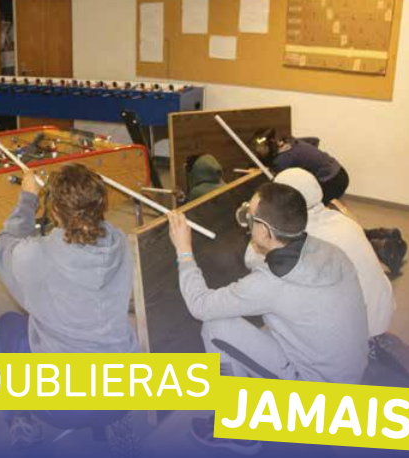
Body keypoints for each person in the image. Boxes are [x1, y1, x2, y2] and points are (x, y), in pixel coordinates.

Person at [168, 183, 369, 454]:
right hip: (349, 375)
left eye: (250, 217)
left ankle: (238, 430)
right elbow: (264, 265)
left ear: (265, 230)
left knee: (216, 327)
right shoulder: (328, 251)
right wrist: (259, 242)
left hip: (320, 398)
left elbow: (200, 305)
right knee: (265, 326)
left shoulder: (271, 284)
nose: (246, 222)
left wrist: (184, 251)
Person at [0, 164, 139, 451]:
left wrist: (27, 199)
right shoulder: (120, 242)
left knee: (4, 326)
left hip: (62, 408)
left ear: (56, 212)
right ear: (101, 206)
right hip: (127, 393)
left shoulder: (36, 255)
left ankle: (22, 420)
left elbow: (4, 247)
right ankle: (110, 419)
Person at [245, 168, 395, 339]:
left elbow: (252, 261)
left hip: (342, 342)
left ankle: (207, 365)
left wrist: (257, 230)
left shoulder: (294, 240)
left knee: (223, 334)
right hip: (379, 320)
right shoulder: (343, 221)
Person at [252, 128, 349, 204]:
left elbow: (278, 182)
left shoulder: (283, 160)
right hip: (339, 171)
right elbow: (315, 140)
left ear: (272, 146)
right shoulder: (291, 141)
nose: (260, 152)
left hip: (333, 181)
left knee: (310, 206)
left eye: (263, 148)